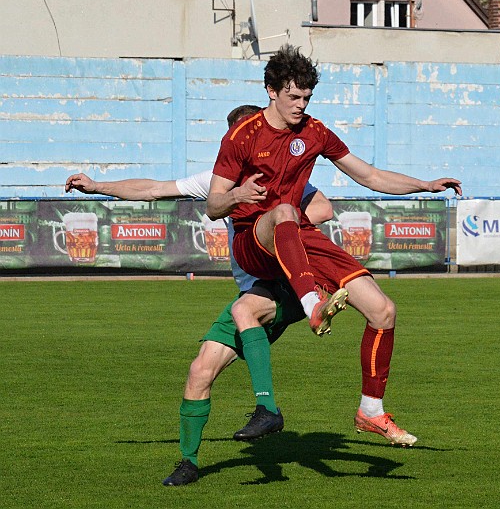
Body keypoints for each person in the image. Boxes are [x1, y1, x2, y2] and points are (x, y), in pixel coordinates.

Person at [206, 44, 462, 451]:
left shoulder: (314, 131)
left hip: (295, 232)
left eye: (307, 97)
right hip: (252, 237)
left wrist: (425, 185)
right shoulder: (242, 135)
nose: (301, 105)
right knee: (287, 209)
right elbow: (212, 204)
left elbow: (370, 175)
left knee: (383, 311)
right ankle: (312, 304)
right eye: (293, 96)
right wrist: (238, 194)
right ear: (271, 90)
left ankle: (371, 411)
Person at [65, 105, 335, 487]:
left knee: (244, 309)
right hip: (255, 288)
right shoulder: (218, 183)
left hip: (288, 285)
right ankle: (189, 462)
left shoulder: (283, 176)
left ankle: (268, 407)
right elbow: (155, 189)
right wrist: (97, 186)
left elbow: (323, 208)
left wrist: (275, 215)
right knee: (199, 372)